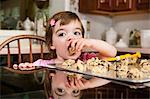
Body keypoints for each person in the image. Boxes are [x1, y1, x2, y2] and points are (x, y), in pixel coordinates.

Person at [33, 11, 117, 99]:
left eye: (76, 33)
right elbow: (29, 69)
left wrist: (91, 43)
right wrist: (25, 66)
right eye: (62, 34)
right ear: (51, 44)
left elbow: (112, 53)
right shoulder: (44, 65)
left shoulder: (86, 60)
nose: (71, 38)